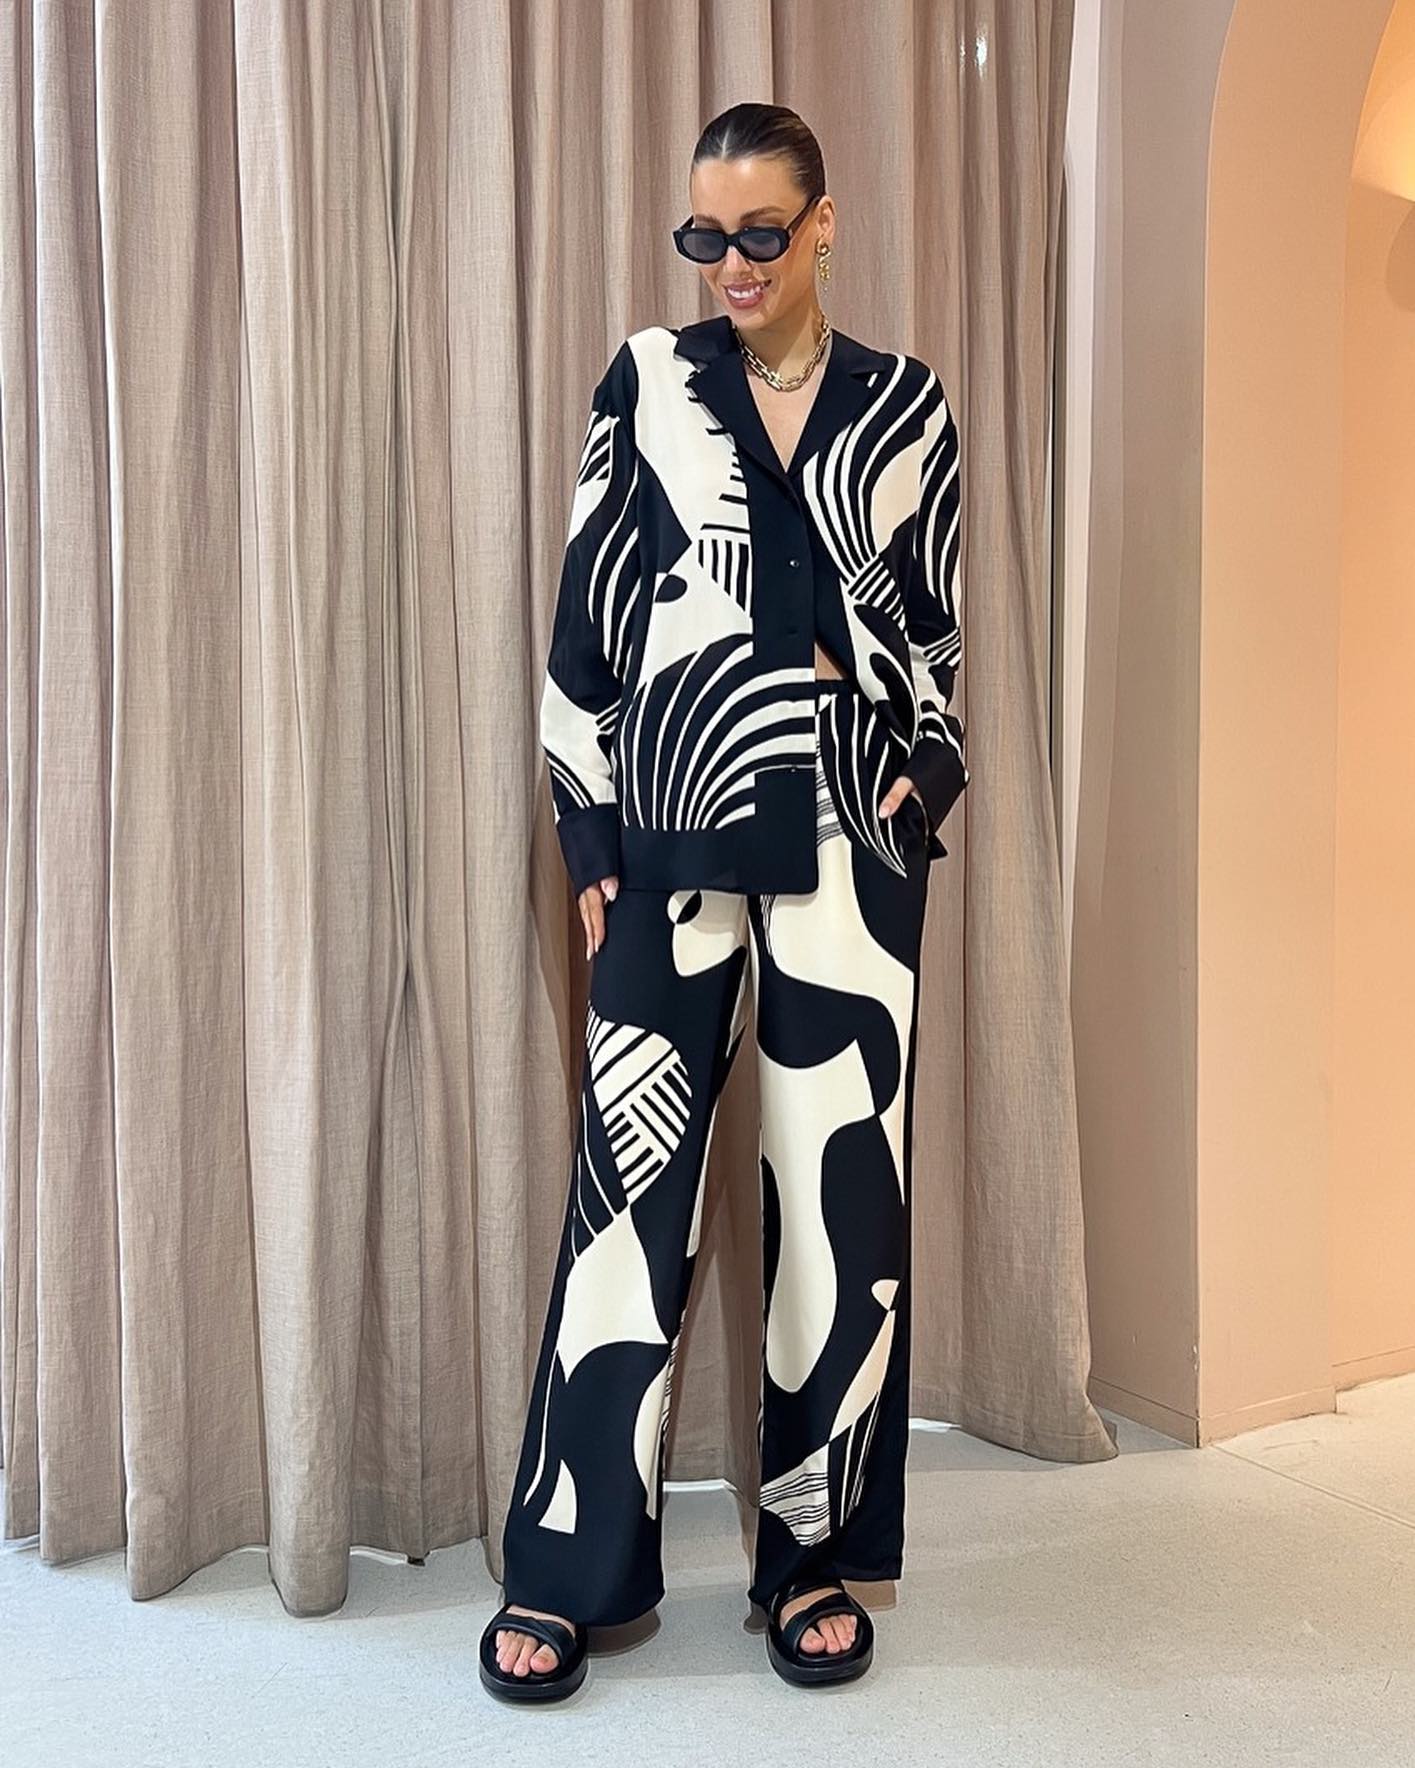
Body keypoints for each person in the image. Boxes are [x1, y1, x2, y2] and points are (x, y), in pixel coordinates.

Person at [479, 100, 968, 1702]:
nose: (736, 264)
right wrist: (588, 830)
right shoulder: (647, 382)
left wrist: (908, 763)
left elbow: (936, 637)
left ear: (825, 223)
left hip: (848, 830)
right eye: (708, 237)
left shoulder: (909, 408)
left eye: (764, 233)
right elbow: (589, 613)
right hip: (678, 820)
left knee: (841, 1203)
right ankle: (567, 1567)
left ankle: (809, 1561)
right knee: (630, 1193)